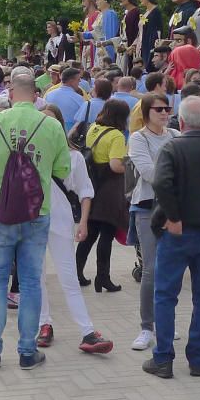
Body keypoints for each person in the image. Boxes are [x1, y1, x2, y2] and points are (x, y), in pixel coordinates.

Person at [0, 73, 72, 370]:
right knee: (31, 282)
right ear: (37, 95)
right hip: (36, 212)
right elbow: (63, 170)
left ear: (11, 92)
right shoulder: (52, 125)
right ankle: (28, 352)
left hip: (0, 211)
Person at [143, 97, 200, 380]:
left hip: (178, 233)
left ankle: (163, 358)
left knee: (166, 295)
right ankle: (198, 359)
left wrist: (174, 216)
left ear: (180, 122)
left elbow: (160, 182)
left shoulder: (172, 147)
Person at [36, 105, 114, 354]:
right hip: (32, 222)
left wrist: (83, 223)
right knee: (36, 278)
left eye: (52, 122)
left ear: (60, 125)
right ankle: (43, 324)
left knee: (68, 278)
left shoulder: (74, 156)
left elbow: (85, 191)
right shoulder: (29, 153)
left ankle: (87, 331)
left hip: (61, 222)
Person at [127, 93, 179, 351]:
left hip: (174, 208)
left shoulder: (175, 135)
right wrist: (174, 174)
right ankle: (147, 326)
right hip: (148, 207)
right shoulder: (138, 138)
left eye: (167, 108)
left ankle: (165, 321)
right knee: (151, 268)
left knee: (170, 268)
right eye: (159, 109)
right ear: (146, 112)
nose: (164, 113)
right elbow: (148, 173)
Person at [76, 99, 130, 291]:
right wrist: (131, 165)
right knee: (106, 234)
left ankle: (77, 273)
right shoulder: (116, 135)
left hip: (93, 185)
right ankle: (103, 278)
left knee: (90, 234)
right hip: (110, 188)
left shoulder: (94, 128)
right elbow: (116, 165)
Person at [44, 67, 86, 132]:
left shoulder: (49, 94)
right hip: (69, 135)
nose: (80, 82)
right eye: (78, 80)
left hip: (49, 131)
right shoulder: (78, 98)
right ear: (72, 81)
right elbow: (84, 118)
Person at [132, 0, 163, 72]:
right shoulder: (146, 12)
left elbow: (156, 35)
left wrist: (151, 54)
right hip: (140, 48)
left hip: (148, 49)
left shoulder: (155, 12)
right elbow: (140, 32)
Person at [86, 0, 120, 68]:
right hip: (99, 48)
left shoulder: (110, 14)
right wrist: (82, 35)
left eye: (98, 0)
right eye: (96, 0)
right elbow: (95, 33)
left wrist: (107, 52)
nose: (96, 2)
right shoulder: (100, 15)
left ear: (105, 0)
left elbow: (110, 35)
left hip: (105, 49)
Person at [116, 0, 141, 75]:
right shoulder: (127, 14)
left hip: (130, 51)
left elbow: (136, 35)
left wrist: (129, 47)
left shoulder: (136, 13)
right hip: (123, 50)